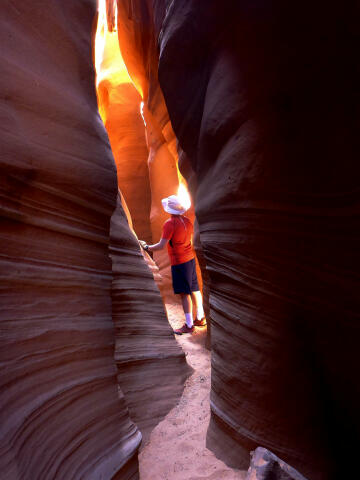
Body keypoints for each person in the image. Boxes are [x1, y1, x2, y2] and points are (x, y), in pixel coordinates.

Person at [139, 194, 206, 334]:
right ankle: (200, 317)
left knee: (184, 294)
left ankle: (189, 325)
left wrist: (146, 247)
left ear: (169, 209)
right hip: (190, 259)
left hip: (180, 262)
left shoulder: (169, 224)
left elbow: (161, 245)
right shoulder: (187, 221)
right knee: (195, 289)